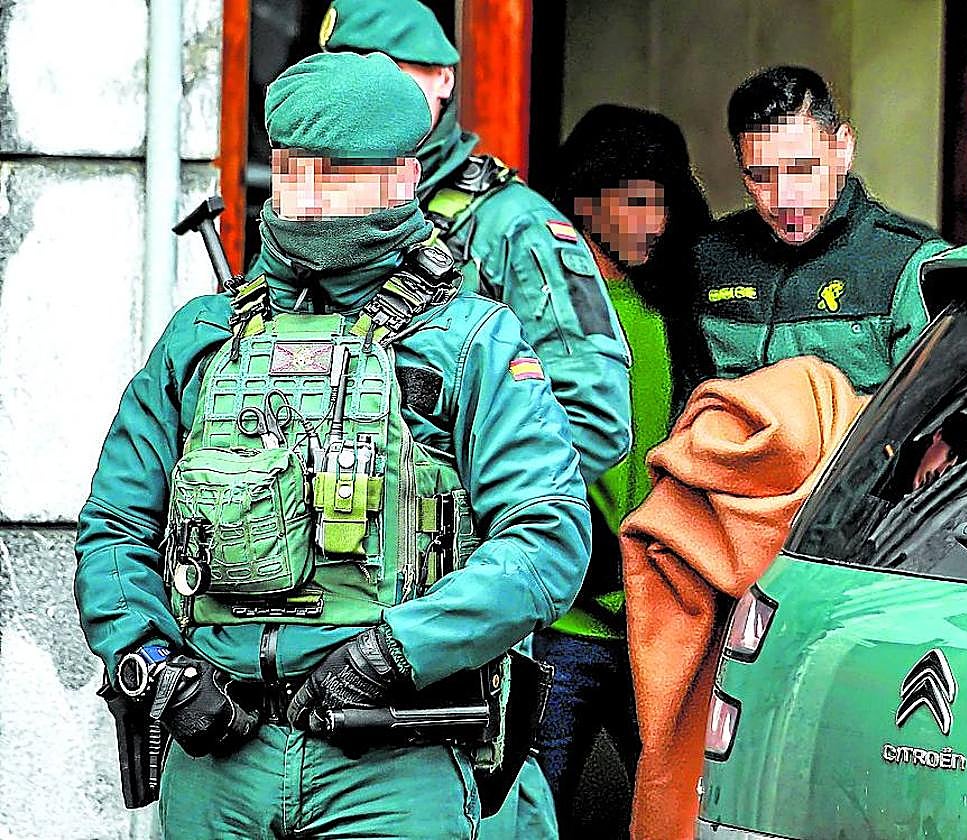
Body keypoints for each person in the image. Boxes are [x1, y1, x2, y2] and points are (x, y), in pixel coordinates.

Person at [74, 51, 589, 840]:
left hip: (395, 766)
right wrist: (158, 665)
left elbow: (547, 538)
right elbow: (115, 527)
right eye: (290, 172)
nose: (308, 200)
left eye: (336, 174)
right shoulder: (201, 338)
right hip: (220, 761)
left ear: (400, 177)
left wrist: (396, 651)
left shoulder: (468, 341)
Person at [317, 6, 632, 836]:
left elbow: (597, 419)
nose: (362, 94)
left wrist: (441, 495)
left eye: (386, 72)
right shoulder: (318, 219)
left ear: (442, 81)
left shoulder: (512, 228)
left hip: (450, 618)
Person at [535, 103, 711, 831]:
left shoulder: (668, 305)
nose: (652, 220)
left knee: (675, 813)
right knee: (528, 812)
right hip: (561, 626)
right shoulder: (541, 309)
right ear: (583, 201)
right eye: (632, 200)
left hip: (656, 619)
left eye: (660, 201)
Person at [687, 65, 950, 398]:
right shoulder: (710, 258)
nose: (784, 198)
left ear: (843, 148)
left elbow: (931, 415)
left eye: (801, 168)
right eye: (761, 176)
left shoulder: (909, 265)